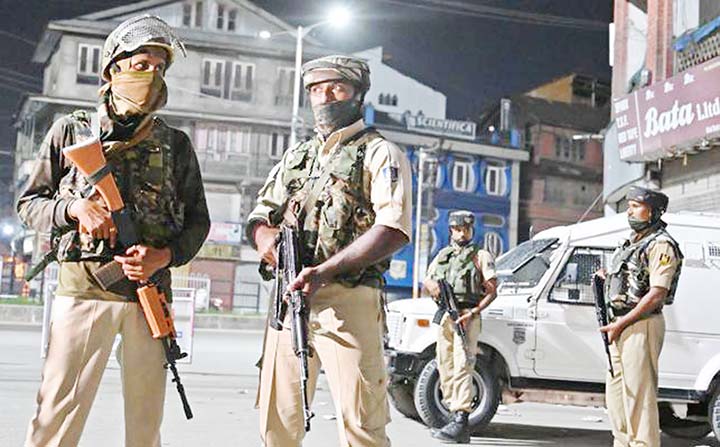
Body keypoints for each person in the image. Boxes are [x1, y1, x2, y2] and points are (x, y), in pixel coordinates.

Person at [17, 15, 210, 447]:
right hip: (85, 290)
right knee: (58, 414)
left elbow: (199, 221)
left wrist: (165, 257)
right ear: (113, 70)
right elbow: (29, 205)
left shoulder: (175, 143)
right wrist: (74, 209)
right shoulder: (72, 131)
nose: (152, 75)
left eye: (160, 68)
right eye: (142, 64)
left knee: (145, 423)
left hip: (150, 295)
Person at [247, 54, 412, 446]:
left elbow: (393, 230)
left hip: (347, 299)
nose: (326, 97)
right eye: (317, 90)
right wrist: (267, 242)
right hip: (288, 300)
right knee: (277, 422)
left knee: (361, 423)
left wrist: (324, 272)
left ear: (358, 95)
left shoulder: (379, 152)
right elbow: (258, 217)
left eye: (337, 88)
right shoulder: (296, 156)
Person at [599, 186, 682, 447]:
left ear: (653, 211)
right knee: (617, 397)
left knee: (639, 397)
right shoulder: (632, 242)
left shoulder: (661, 244)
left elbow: (657, 293)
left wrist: (623, 322)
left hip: (640, 325)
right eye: (629, 205)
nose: (629, 210)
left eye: (636, 205)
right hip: (620, 325)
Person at [422, 210, 497, 444]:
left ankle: (462, 420)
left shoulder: (481, 255)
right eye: (457, 229)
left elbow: (492, 290)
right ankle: (452, 414)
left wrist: (472, 313)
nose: (461, 233)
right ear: (451, 230)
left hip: (467, 315)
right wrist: (432, 286)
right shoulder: (444, 254)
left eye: (465, 229)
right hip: (446, 315)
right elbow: (427, 279)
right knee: (444, 363)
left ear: (471, 229)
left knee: (463, 364)